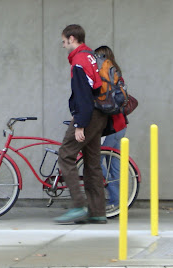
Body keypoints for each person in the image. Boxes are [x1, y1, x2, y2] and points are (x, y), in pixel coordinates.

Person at [54, 25, 108, 224]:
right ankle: (97, 212)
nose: (63, 45)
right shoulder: (91, 56)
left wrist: (80, 125)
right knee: (92, 163)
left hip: (88, 114)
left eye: (63, 41)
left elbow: (83, 95)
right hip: (101, 114)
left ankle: (78, 206)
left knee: (66, 155)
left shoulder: (78, 60)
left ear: (72, 38)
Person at [94, 46, 128, 211]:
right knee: (114, 165)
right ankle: (119, 201)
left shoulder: (106, 75)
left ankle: (115, 201)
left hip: (112, 127)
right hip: (120, 126)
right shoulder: (116, 74)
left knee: (98, 161)